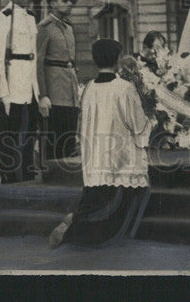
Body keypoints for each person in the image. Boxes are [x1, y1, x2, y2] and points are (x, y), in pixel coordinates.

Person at [49, 38, 154, 249]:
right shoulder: (124, 88)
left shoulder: (88, 88)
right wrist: (151, 120)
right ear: (117, 60)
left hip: (95, 157)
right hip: (119, 157)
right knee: (120, 205)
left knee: (96, 198)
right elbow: (137, 124)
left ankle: (74, 218)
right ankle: (74, 226)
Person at [0, 0, 40, 183]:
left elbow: (33, 57)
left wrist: (37, 89)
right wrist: (2, 93)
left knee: (29, 131)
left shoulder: (30, 18)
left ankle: (27, 173)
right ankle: (9, 177)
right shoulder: (2, 18)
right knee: (9, 133)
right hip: (11, 85)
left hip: (28, 83)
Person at [37, 0, 81, 163]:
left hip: (69, 90)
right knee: (56, 141)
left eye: (70, 0)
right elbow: (39, 63)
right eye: (64, 0)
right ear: (53, 3)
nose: (69, 3)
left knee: (70, 138)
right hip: (54, 92)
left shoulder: (69, 28)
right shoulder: (44, 27)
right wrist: (43, 94)